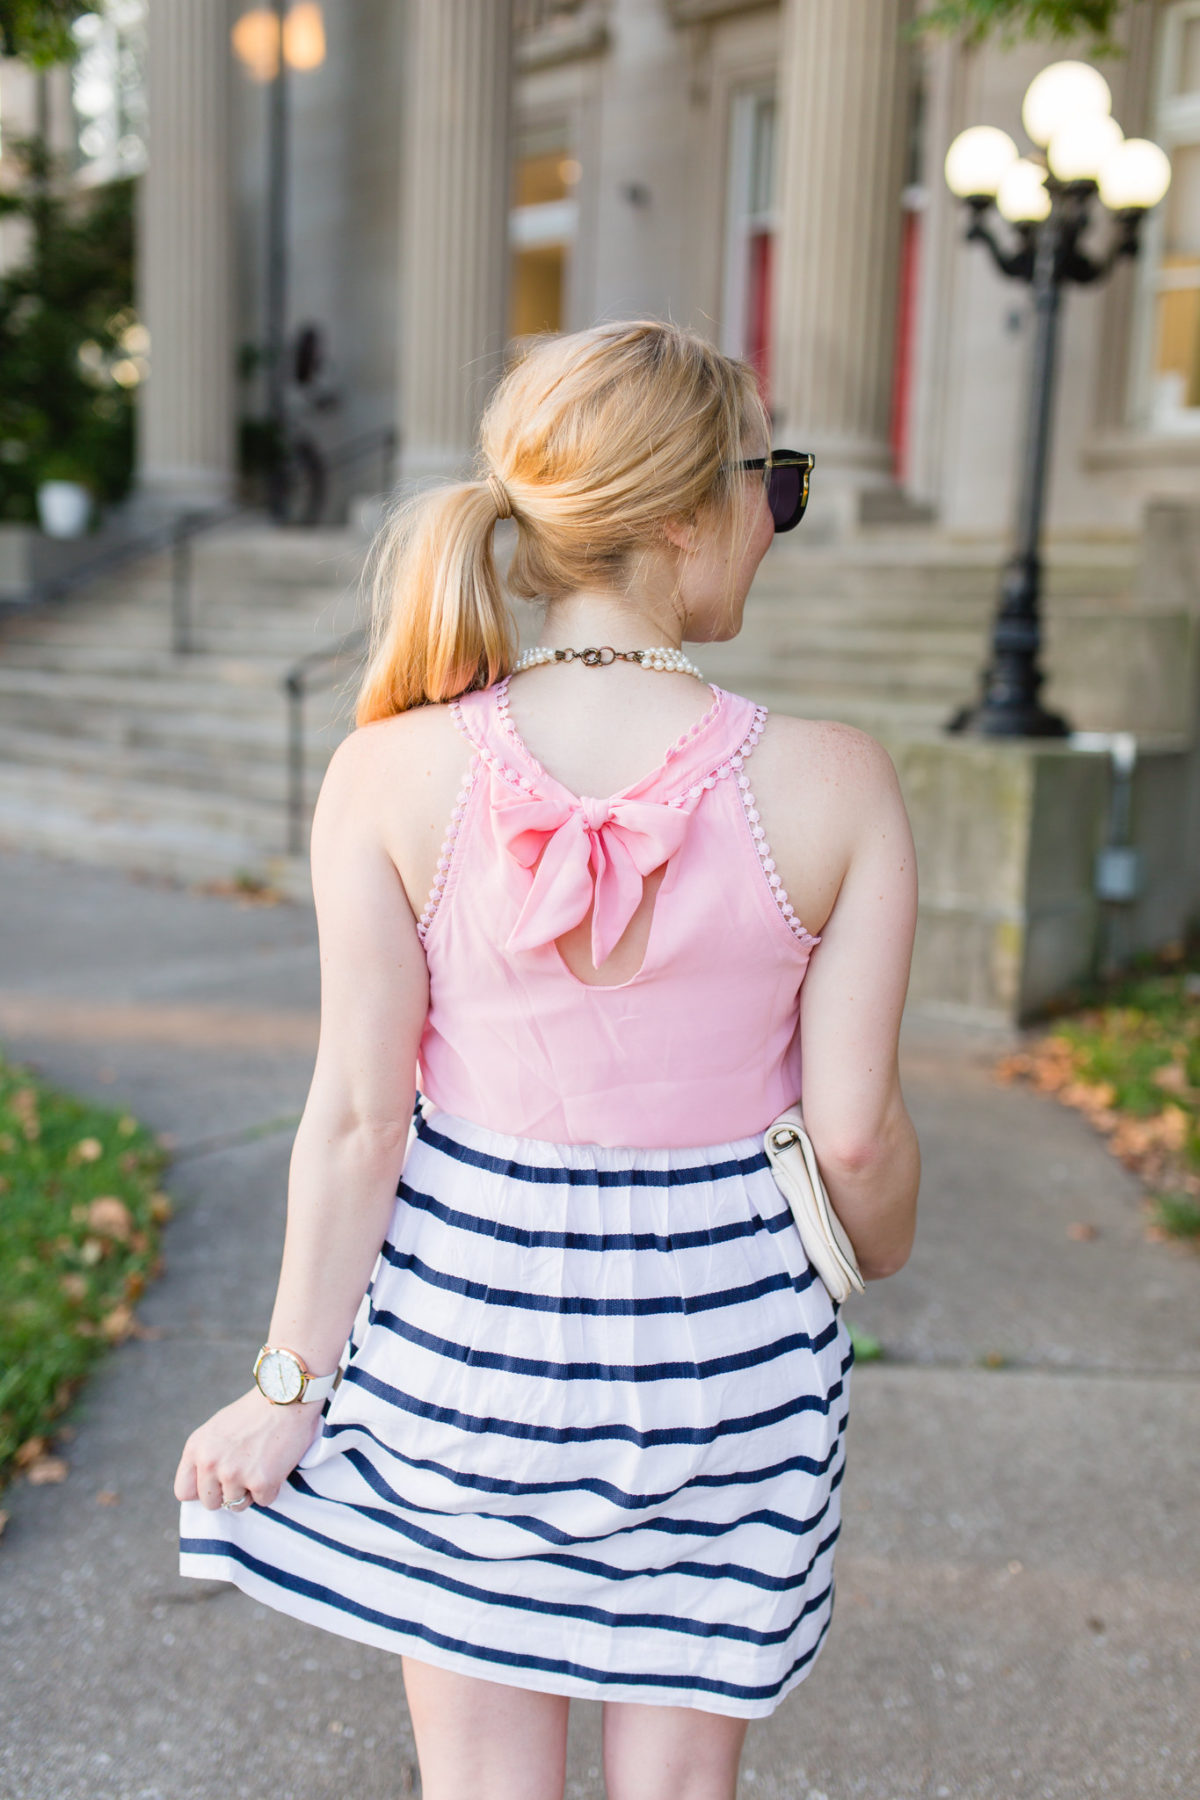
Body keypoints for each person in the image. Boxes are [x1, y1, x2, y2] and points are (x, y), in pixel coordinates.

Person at [174, 318, 920, 1800]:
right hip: (730, 1361)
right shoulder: (835, 781)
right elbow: (853, 1145)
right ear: (681, 514)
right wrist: (881, 1250)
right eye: (776, 489)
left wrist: (287, 1381)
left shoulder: (390, 771)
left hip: (469, 1345)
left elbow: (355, 1119)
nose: (776, 527)